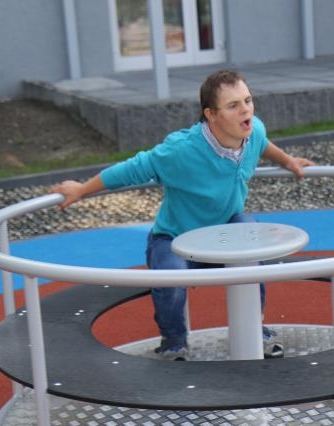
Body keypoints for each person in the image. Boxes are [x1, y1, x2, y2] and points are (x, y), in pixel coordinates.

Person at [52, 69, 314, 361]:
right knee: (171, 278)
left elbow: (263, 144)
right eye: (233, 105)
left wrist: (288, 161)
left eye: (248, 100)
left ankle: (254, 328)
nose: (245, 110)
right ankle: (174, 342)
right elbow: (132, 168)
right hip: (176, 237)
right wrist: (81, 190)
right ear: (211, 115)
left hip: (225, 230)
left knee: (251, 242)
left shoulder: (253, 132)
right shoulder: (181, 150)